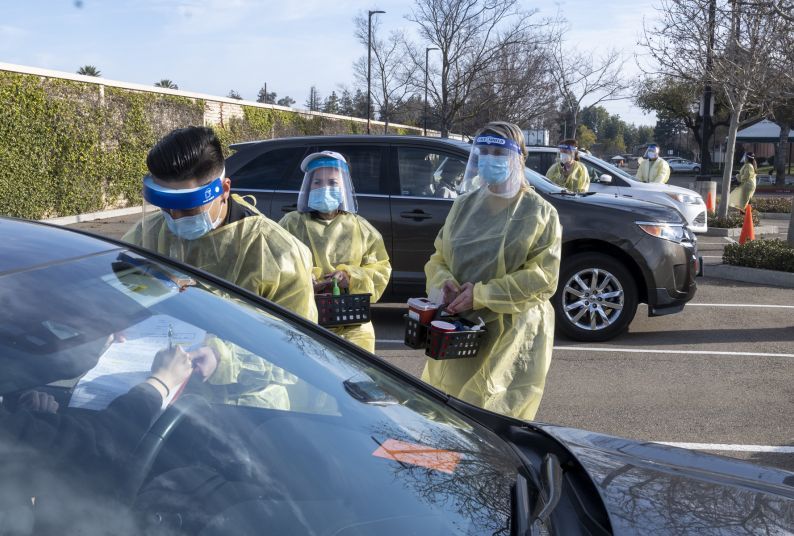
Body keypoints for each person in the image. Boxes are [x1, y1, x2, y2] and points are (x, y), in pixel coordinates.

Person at [422, 121, 562, 421]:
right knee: (452, 417)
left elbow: (543, 278)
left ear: (518, 158)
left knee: (496, 421)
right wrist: (444, 282)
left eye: (498, 151)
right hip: (461, 329)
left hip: (513, 335)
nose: (489, 158)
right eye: (483, 151)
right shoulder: (464, 206)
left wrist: (484, 295)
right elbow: (439, 257)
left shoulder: (539, 212)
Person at [123, 126, 317, 322]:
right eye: (166, 206)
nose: (175, 218)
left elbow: (296, 343)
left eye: (188, 208)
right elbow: (118, 293)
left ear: (224, 190)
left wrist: (221, 351)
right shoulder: (147, 233)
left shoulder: (279, 254)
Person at [279, 151, 391, 352]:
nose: (324, 188)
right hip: (305, 321)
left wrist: (351, 276)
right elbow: (276, 266)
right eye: (317, 182)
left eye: (332, 182)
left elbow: (381, 270)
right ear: (308, 186)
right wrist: (305, 278)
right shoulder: (291, 224)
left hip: (353, 326)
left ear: (345, 187)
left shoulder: (361, 228)